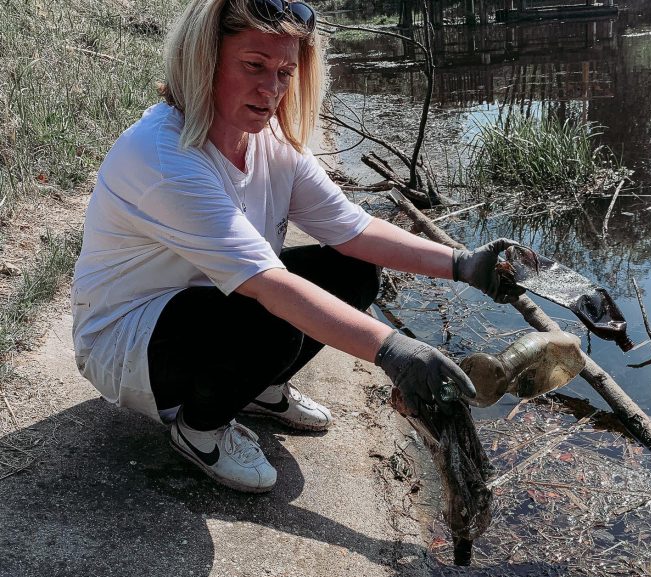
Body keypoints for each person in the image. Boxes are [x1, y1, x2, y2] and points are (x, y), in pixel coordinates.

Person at [71, 0, 523, 493]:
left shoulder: (270, 142)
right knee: (277, 320)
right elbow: (269, 287)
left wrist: (463, 264)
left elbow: (352, 230)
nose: (271, 89)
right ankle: (199, 430)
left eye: (285, 72)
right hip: (129, 341)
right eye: (253, 65)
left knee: (356, 271)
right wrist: (392, 349)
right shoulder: (164, 155)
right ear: (203, 59)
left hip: (211, 305)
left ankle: (259, 388)